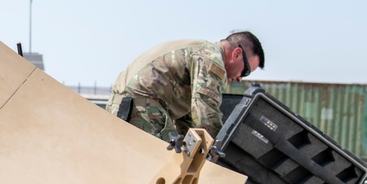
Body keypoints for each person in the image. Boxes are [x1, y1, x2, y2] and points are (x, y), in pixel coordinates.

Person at [105, 32, 265, 142]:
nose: (239, 78)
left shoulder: (199, 51)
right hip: (142, 109)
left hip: (123, 105)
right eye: (246, 71)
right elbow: (205, 111)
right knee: (156, 170)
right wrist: (222, 150)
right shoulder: (211, 59)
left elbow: (189, 116)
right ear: (236, 53)